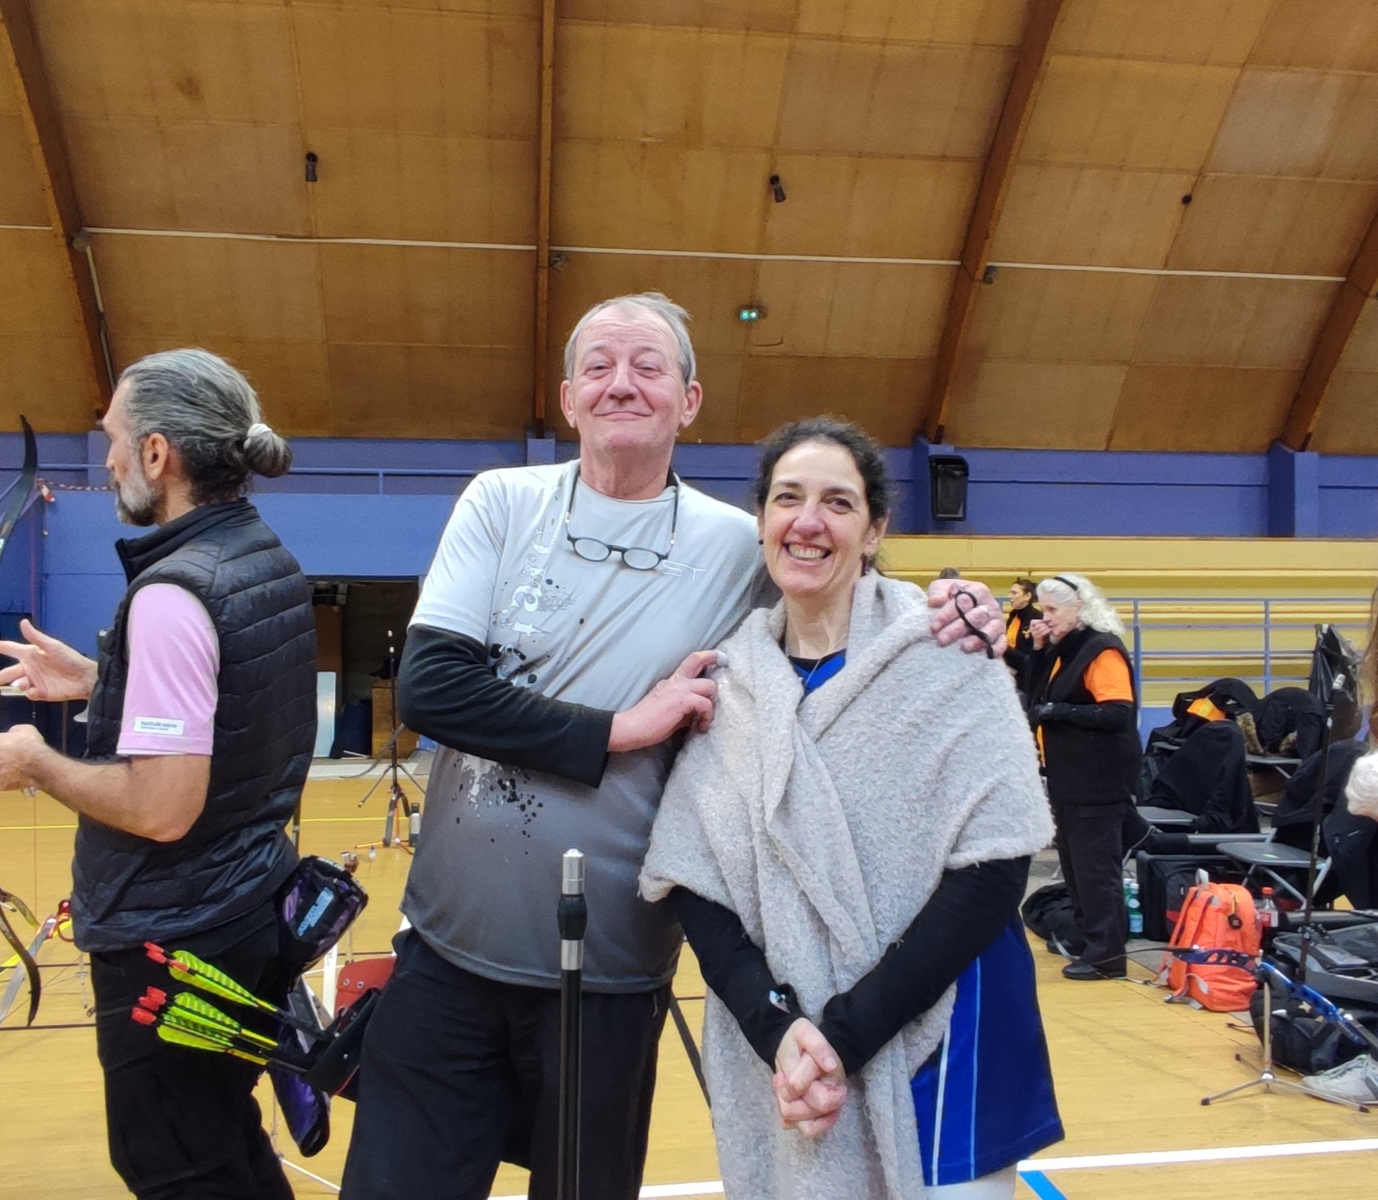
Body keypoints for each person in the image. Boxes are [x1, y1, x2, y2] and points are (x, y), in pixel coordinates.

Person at [339, 294, 1011, 1200]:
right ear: (568, 397)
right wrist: (619, 729)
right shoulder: (502, 502)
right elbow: (432, 692)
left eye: (648, 367)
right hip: (447, 954)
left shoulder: (737, 546)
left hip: (611, 975)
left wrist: (954, 608)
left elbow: (840, 586)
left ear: (689, 401)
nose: (621, 383)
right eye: (599, 366)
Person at [640, 418, 1061, 1200]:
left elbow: (996, 867)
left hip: (947, 1038)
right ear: (761, 520)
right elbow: (696, 882)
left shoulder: (949, 655)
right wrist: (777, 1030)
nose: (809, 521)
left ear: (874, 530)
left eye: (838, 502)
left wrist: (845, 1034)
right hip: (791, 1046)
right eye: (788, 498)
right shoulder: (729, 686)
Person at [0, 350, 315, 1199]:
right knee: (223, 1143)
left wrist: (33, 761)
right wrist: (103, 681)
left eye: (114, 439)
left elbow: (162, 807)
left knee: (178, 1167)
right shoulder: (260, 555)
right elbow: (233, 701)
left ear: (156, 453)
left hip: (176, 933)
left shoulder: (175, 594)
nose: (107, 459)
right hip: (246, 910)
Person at [1027, 574, 1141, 981]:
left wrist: (1060, 713)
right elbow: (1035, 694)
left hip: (1097, 781)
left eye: (1052, 610)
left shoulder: (1101, 649)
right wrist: (1038, 649)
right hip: (1068, 778)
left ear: (1079, 608)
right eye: (1042, 609)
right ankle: (1085, 937)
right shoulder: (1065, 647)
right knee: (1075, 868)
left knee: (1096, 871)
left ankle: (1106, 956)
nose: (1045, 617)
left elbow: (1117, 712)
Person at [1003, 577, 1041, 696]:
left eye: (1014, 593)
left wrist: (1004, 648)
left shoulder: (1037, 619)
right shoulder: (1013, 616)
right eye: (1010, 593)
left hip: (1027, 678)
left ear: (1027, 596)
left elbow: (1030, 657)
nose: (1010, 596)